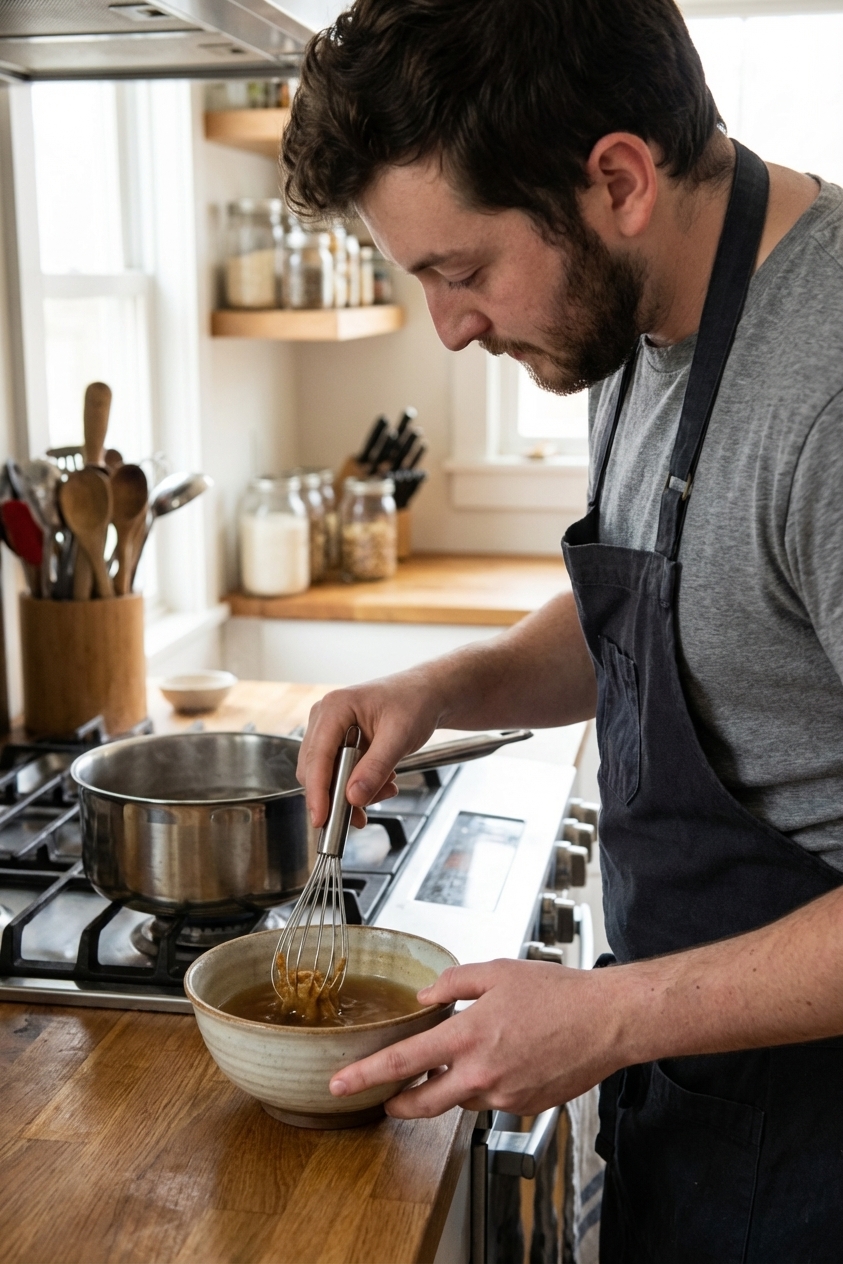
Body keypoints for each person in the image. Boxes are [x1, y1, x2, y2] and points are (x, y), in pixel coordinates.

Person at [282, 1, 843, 1257]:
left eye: (462, 270)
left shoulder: (830, 395)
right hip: (702, 1100)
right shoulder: (648, 324)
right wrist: (445, 685)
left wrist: (608, 1017)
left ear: (619, 180)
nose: (452, 326)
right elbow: (682, 613)